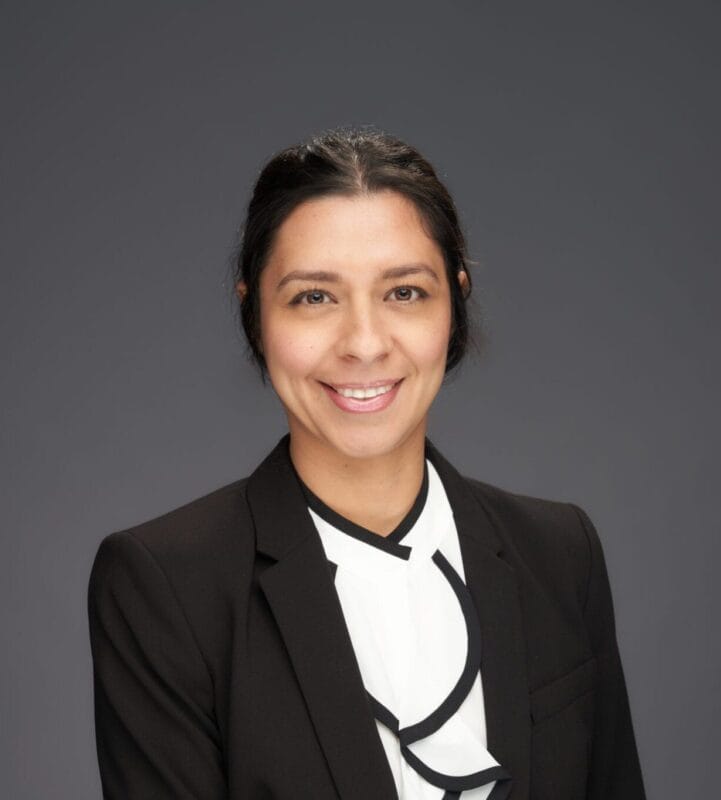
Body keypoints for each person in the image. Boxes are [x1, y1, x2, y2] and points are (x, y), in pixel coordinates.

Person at [88, 128, 646, 799]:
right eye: (313, 297)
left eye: (404, 292)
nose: (362, 343)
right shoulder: (165, 585)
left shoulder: (559, 554)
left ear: (454, 303)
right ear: (255, 317)